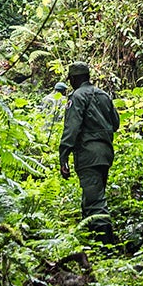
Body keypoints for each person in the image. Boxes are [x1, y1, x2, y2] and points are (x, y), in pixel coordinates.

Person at [57, 61, 119, 223]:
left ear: (73, 79)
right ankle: (91, 243)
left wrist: (63, 157)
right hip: (105, 154)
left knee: (95, 204)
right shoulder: (104, 95)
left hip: (88, 155)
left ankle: (106, 246)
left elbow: (71, 129)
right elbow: (116, 123)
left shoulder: (77, 97)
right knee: (91, 197)